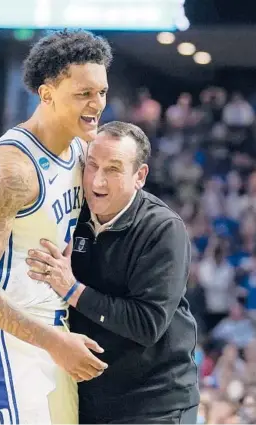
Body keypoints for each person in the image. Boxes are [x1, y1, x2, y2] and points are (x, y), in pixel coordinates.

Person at [0, 29, 112, 425]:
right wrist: (52, 343)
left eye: (102, 92)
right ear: (46, 94)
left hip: (56, 331)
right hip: (4, 337)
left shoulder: (79, 150)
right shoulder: (11, 170)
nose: (97, 105)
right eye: (84, 94)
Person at [27, 121, 200, 424]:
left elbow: (147, 324)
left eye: (114, 169)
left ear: (140, 176)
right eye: (92, 166)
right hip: (93, 399)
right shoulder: (71, 213)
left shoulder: (163, 230)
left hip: (157, 402)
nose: (98, 181)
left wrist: (72, 290)